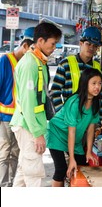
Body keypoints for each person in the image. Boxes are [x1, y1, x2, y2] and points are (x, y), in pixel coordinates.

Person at [10, 22, 62, 187]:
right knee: (33, 175)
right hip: (28, 127)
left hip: (30, 125)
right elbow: (28, 103)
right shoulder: (30, 64)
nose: (54, 47)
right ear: (40, 40)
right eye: (52, 43)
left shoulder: (38, 62)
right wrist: (37, 134)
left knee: (24, 173)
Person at [46, 68, 102, 187]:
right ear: (85, 83)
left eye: (99, 83)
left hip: (74, 139)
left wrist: (88, 151)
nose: (97, 87)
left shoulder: (95, 103)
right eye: (93, 83)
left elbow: (91, 129)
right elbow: (71, 131)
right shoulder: (74, 102)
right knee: (61, 169)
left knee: (82, 166)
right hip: (57, 134)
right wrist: (71, 158)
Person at [0, 27, 35, 187]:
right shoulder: (5, 61)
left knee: (15, 154)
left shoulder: (28, 64)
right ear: (26, 45)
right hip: (6, 118)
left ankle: (9, 186)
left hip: (20, 119)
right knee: (5, 153)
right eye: (33, 49)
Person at [51, 26, 102, 116]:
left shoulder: (98, 68)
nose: (91, 48)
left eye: (95, 46)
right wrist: (62, 115)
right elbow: (55, 92)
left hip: (89, 120)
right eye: (88, 44)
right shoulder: (66, 64)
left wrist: (98, 120)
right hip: (69, 119)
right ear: (81, 43)